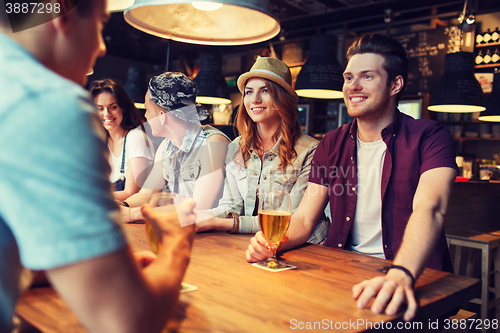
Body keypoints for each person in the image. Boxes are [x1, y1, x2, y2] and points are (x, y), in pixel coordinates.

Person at [0, 1, 196, 332]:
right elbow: (125, 320)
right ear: (62, 15)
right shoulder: (49, 104)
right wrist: (177, 244)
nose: (102, 46)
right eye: (102, 24)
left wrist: (98, 263)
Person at [246, 34, 458, 322]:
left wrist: (401, 273)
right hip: (341, 272)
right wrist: (273, 242)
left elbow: (430, 208)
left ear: (395, 84)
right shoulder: (330, 144)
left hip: (413, 274)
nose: (353, 86)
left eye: (367, 76)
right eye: (348, 77)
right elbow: (306, 219)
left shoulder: (430, 137)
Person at [195, 57, 329, 244]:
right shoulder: (236, 146)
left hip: (304, 248)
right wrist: (195, 217)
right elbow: (231, 205)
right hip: (255, 242)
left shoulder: (310, 151)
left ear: (283, 98)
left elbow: (289, 221)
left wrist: (219, 223)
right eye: (249, 92)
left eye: (265, 91)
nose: (255, 99)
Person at [120, 72, 230, 221]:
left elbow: (197, 207)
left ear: (162, 116)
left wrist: (133, 214)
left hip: (218, 239)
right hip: (183, 232)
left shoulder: (213, 143)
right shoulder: (166, 147)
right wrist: (122, 206)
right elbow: (146, 195)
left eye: (147, 109)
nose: (145, 116)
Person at [89, 79, 155, 201]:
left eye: (113, 107)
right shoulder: (101, 142)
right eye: (100, 108)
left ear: (123, 108)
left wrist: (90, 197)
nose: (106, 114)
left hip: (135, 215)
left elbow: (131, 192)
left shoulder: (136, 138)